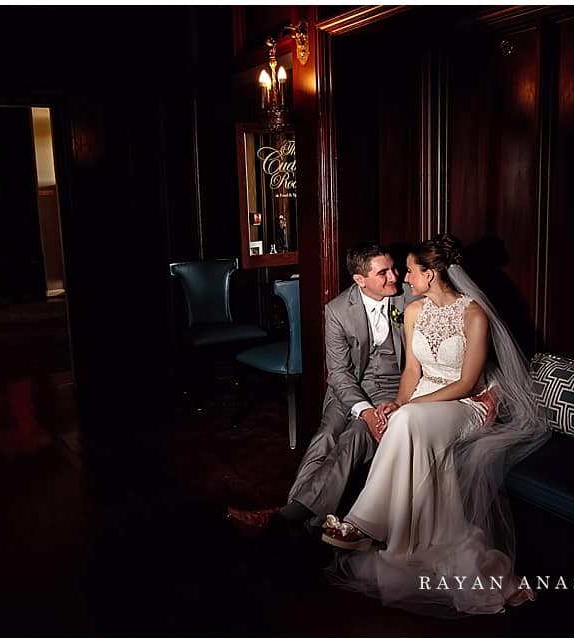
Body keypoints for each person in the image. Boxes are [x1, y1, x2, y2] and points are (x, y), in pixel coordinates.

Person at [321, 233, 550, 618]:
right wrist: (399, 402)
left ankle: (361, 524)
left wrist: (410, 407)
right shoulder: (413, 310)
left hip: (463, 405)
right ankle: (387, 532)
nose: (405, 278)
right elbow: (412, 370)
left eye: (410, 271)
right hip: (423, 402)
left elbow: (465, 382)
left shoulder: (474, 314)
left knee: (405, 418)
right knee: (401, 419)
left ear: (431, 273)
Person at [228, 242, 419, 539]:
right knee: (326, 434)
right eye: (384, 273)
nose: (394, 276)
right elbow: (340, 373)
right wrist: (364, 410)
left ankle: (287, 518)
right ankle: (295, 517)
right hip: (349, 389)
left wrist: (372, 415)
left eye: (394, 268)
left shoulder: (410, 296)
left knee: (356, 434)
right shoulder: (338, 310)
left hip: (393, 389)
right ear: (360, 280)